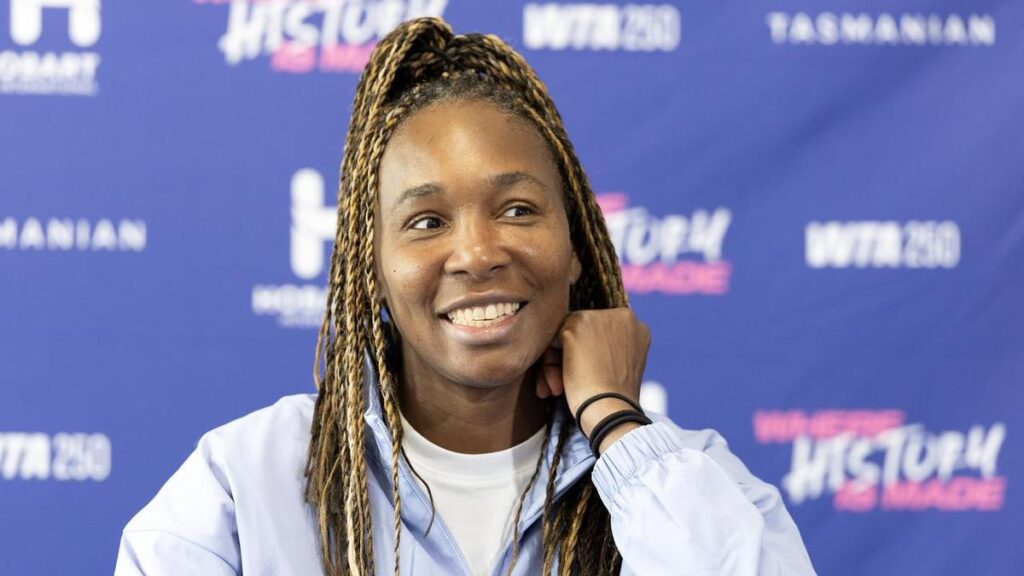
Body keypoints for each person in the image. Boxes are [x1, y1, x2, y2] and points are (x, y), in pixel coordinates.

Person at [115, 17, 815, 576]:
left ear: (576, 244)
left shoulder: (692, 483)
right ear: (371, 266)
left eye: (517, 210)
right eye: (426, 222)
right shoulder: (242, 484)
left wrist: (615, 424)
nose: (478, 254)